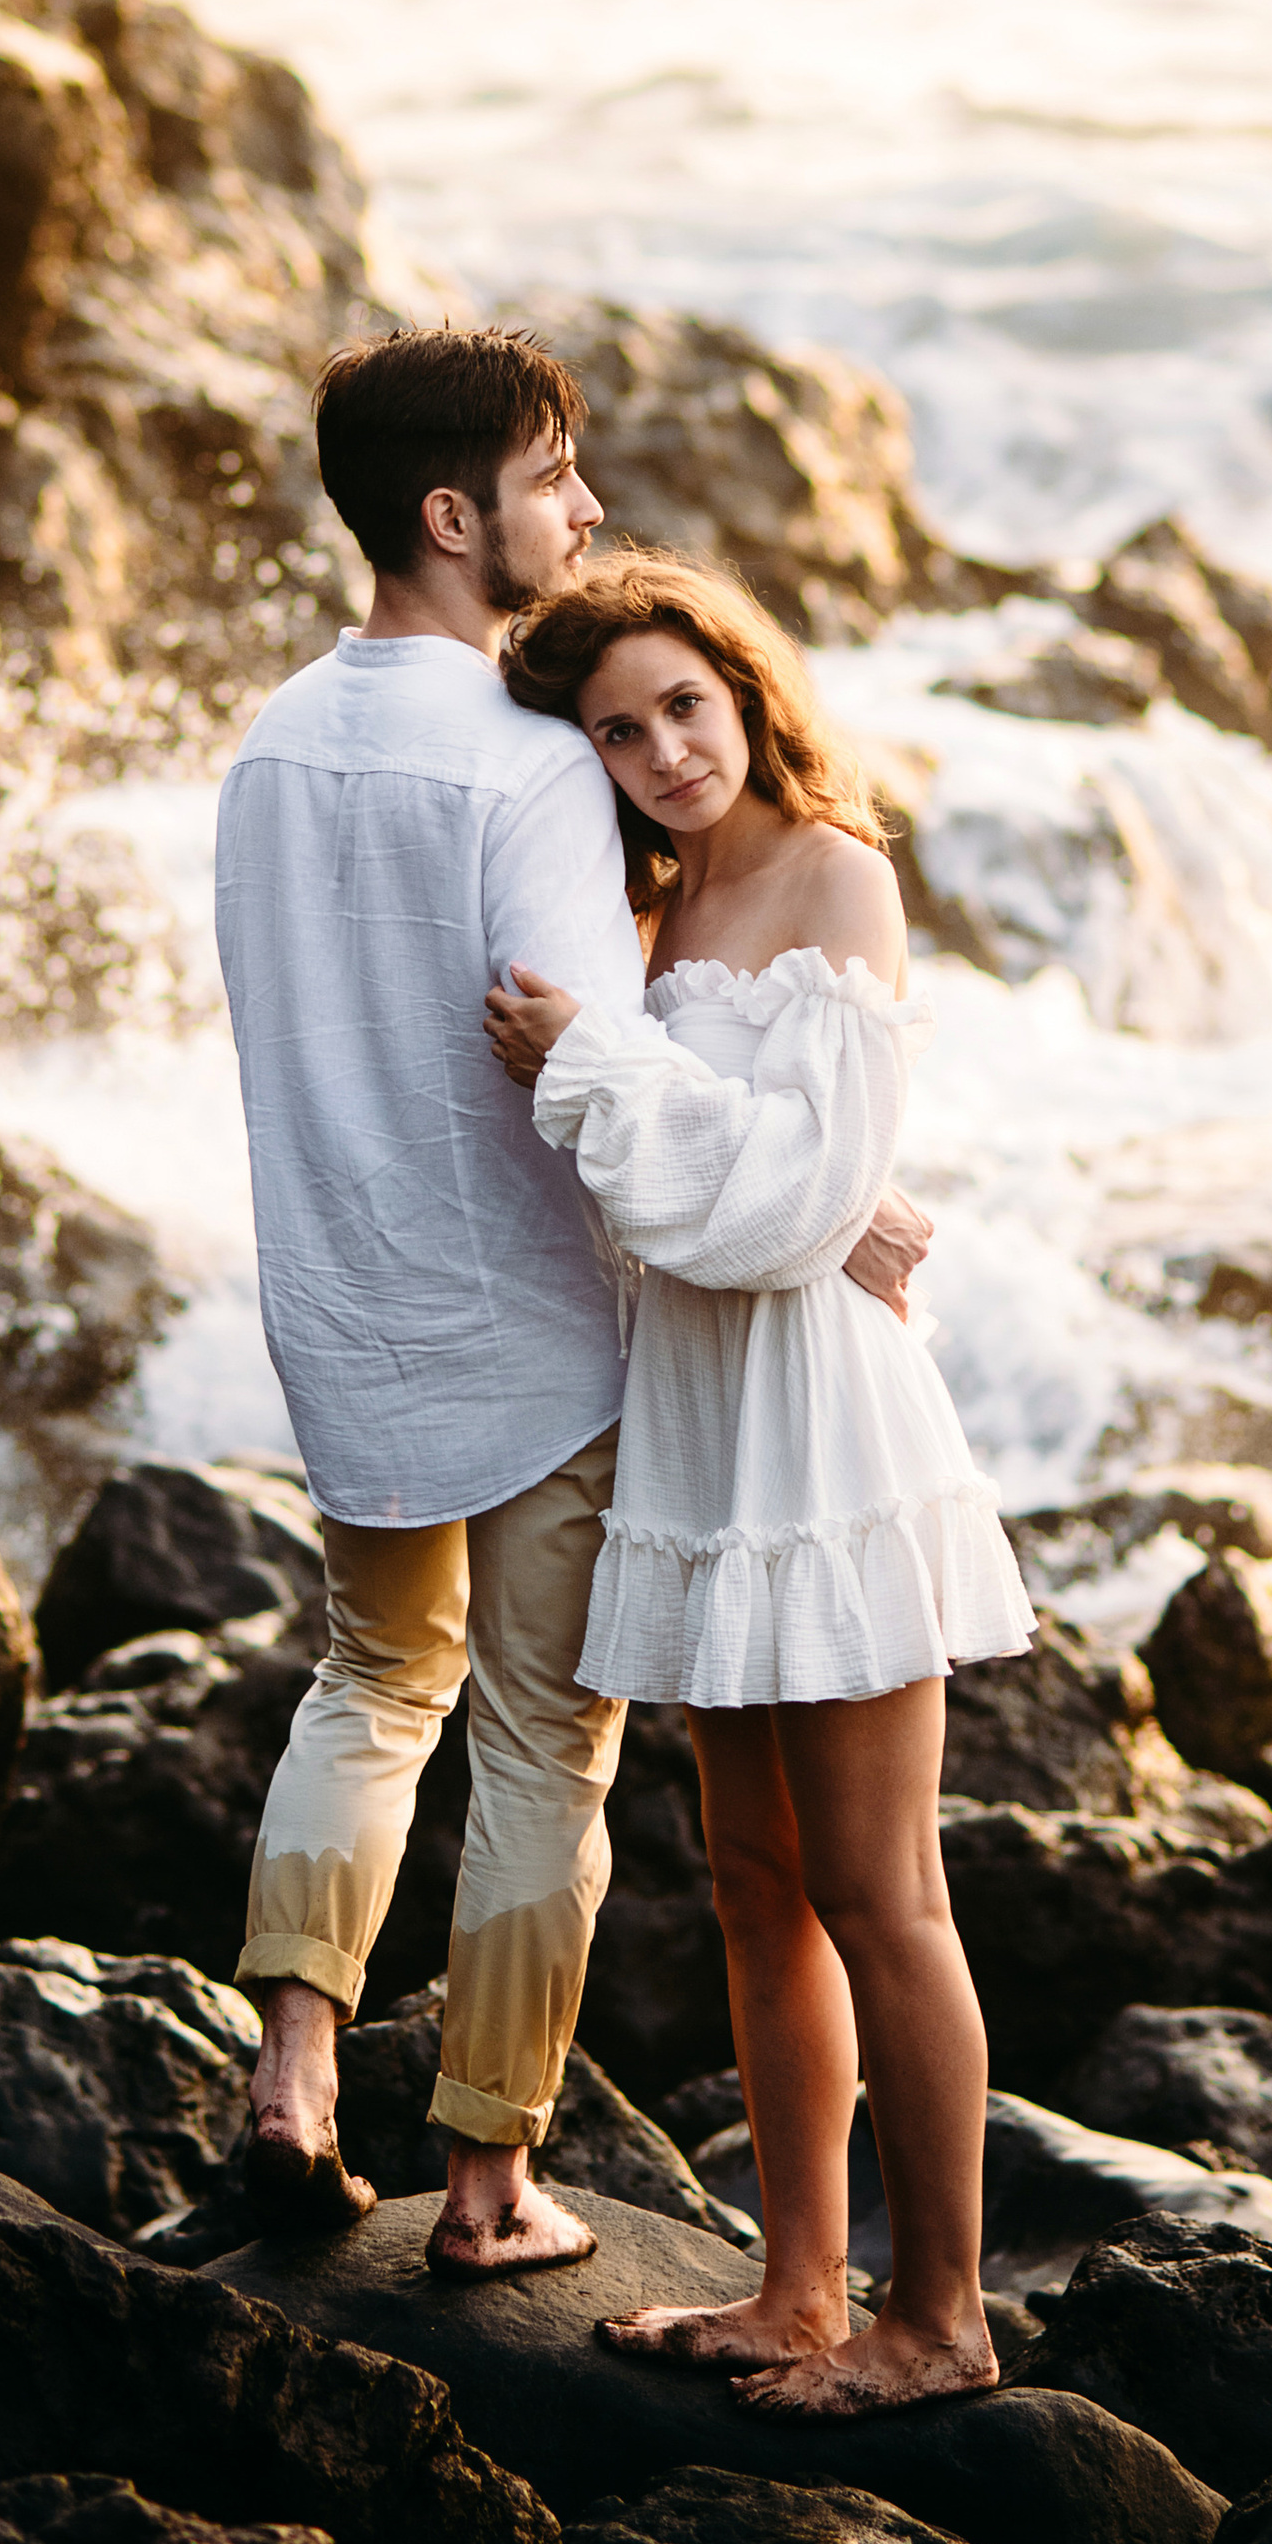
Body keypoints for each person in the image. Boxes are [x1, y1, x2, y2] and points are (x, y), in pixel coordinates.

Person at [215, 330, 932, 2277]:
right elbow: (605, 1082)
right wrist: (841, 1211)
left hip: (340, 1306)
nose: (586, 510)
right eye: (552, 479)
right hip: (530, 1327)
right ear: (454, 517)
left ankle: (288, 2075)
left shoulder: (273, 740)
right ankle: (484, 2183)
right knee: (545, 1747)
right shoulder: (528, 759)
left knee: (372, 1679)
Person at [485, 549, 1034, 2411]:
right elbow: (705, 1190)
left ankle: (940, 2320)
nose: (663, 751)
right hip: (704, 1436)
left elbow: (788, 1191)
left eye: (684, 706)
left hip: (824, 1432)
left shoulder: (837, 875)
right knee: (750, 1884)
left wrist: (605, 1074)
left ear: (746, 692)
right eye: (617, 732)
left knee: (883, 1893)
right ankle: (798, 2290)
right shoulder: (646, 908)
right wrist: (802, 1181)